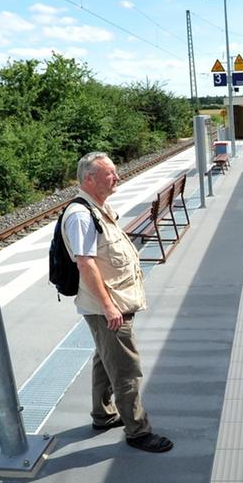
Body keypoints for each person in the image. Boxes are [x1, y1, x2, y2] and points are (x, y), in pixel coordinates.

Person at [62, 151, 173, 453]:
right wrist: (110, 306)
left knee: (105, 359)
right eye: (110, 173)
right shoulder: (81, 215)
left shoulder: (97, 207)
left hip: (113, 302)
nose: (118, 177)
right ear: (90, 178)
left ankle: (102, 414)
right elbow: (85, 263)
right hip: (108, 307)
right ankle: (138, 431)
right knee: (125, 368)